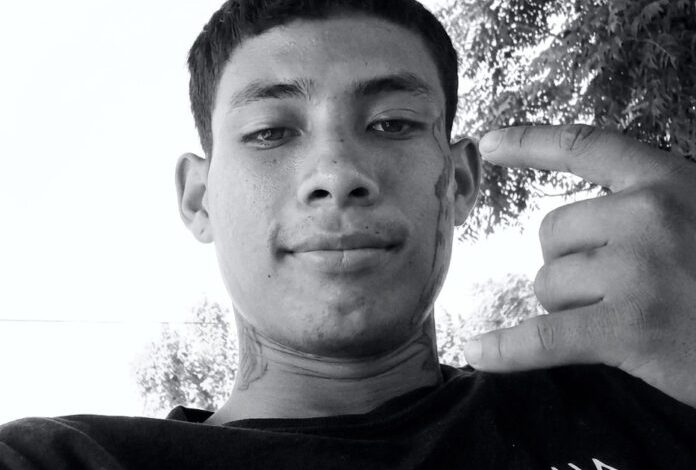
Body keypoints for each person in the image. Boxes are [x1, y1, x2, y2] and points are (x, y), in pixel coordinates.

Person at [2, 0, 696, 468]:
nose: (336, 174)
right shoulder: (61, 460)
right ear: (197, 198)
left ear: (458, 182)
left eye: (392, 123)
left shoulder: (651, 390)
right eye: (270, 132)